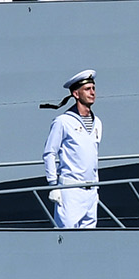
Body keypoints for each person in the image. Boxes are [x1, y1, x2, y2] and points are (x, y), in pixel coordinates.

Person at [41, 69, 102, 229]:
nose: (92, 93)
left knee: (88, 240)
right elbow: (49, 153)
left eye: (93, 88)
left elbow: (94, 157)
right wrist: (53, 185)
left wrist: (96, 187)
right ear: (76, 94)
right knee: (66, 238)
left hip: (91, 191)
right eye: (87, 89)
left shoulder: (98, 124)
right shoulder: (63, 122)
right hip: (71, 190)